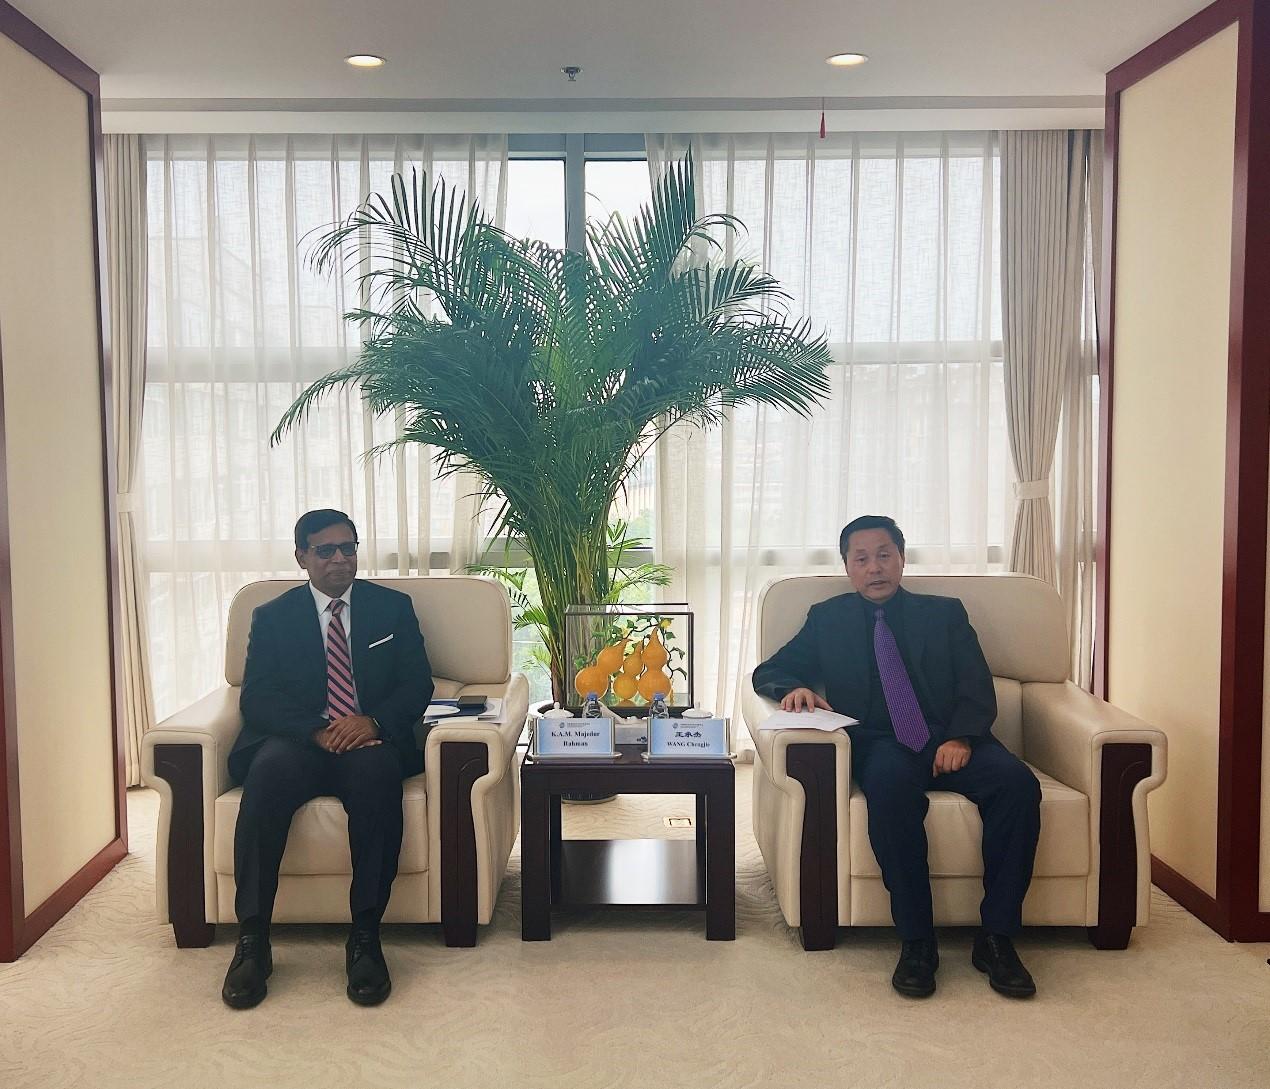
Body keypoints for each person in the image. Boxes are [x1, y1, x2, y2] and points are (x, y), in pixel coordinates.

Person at [753, 515, 1041, 999]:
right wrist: (794, 687)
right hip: (883, 743)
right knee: (888, 791)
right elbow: (770, 670)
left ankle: (997, 938)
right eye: (862, 559)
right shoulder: (828, 619)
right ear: (848, 567)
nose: (875, 568)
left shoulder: (944, 614)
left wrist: (961, 738)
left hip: (953, 737)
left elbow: (975, 684)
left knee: (1018, 784)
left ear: (902, 559)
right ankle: (917, 941)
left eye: (884, 555)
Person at [221, 509, 434, 1009]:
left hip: (368, 740)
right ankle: (253, 939)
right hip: (300, 739)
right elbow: (258, 697)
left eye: (348, 548)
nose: (340, 559)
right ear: (302, 557)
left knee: (379, 780)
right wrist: (316, 731)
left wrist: (373, 722)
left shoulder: (392, 608)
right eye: (325, 550)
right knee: (265, 777)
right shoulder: (273, 616)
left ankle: (365, 936)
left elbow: (416, 683)